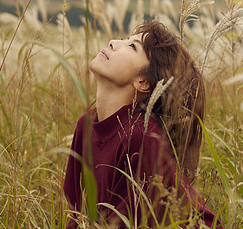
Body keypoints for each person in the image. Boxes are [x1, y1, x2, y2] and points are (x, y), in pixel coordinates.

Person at [63, 20, 222, 228]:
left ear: (143, 82)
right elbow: (78, 213)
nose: (113, 42)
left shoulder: (142, 137)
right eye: (125, 40)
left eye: (132, 46)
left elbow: (124, 224)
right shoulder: (86, 124)